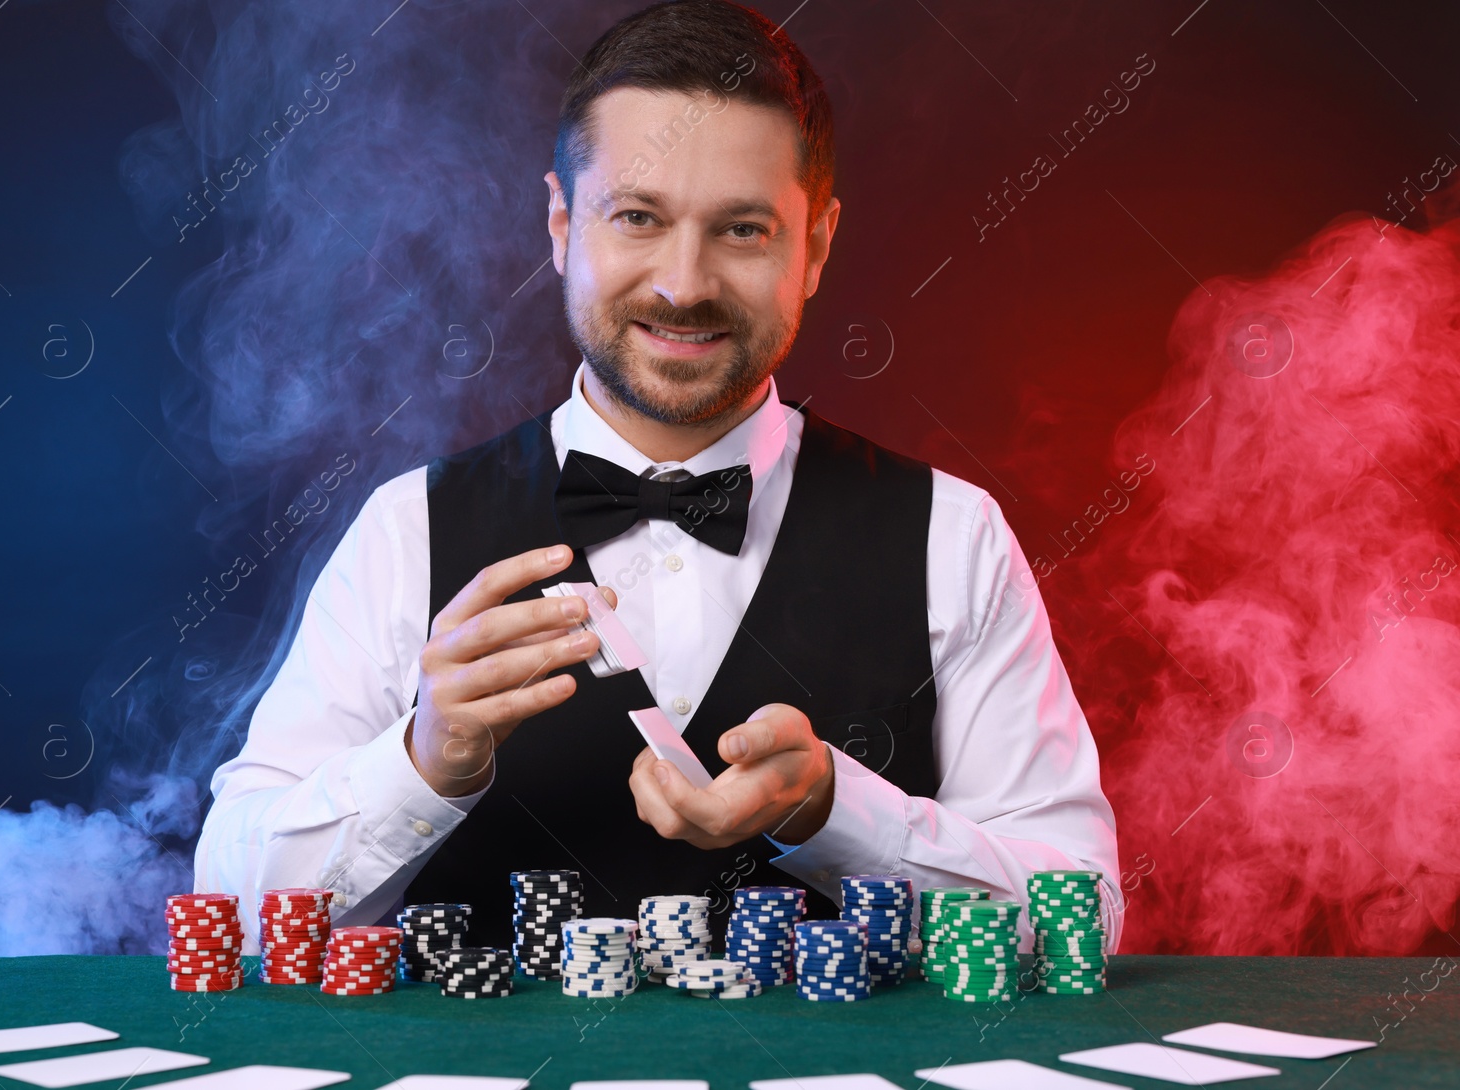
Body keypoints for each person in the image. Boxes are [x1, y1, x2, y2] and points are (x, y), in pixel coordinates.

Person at [194, 0, 1122, 954]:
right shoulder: (407, 530)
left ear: (817, 247)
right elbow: (236, 914)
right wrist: (421, 764)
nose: (684, 284)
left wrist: (838, 814)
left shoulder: (952, 535)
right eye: (636, 217)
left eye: (744, 230)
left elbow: (1078, 915)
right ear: (561, 223)